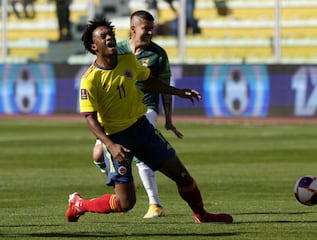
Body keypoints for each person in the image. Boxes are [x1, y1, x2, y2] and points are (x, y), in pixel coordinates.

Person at [65, 16, 233, 224]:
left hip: (142, 129)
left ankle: (202, 215)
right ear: (93, 46)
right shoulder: (89, 79)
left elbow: (150, 81)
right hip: (118, 140)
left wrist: (178, 92)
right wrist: (111, 146)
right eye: (103, 36)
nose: (110, 38)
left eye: (111, 34)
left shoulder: (127, 60)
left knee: (183, 177)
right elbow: (89, 118)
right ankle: (80, 204)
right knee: (125, 203)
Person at [92, 10, 184, 219]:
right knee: (97, 155)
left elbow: (163, 85)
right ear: (133, 29)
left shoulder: (157, 54)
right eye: (146, 28)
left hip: (145, 109)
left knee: (141, 157)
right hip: (116, 114)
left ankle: (155, 204)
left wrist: (168, 119)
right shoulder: (118, 49)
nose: (151, 32)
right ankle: (126, 182)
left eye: (152, 28)